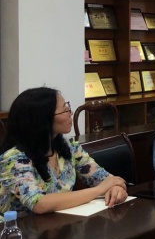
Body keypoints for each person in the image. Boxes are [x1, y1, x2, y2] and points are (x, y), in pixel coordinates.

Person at [0, 87, 128, 214]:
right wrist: (99, 190)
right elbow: (39, 203)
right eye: (64, 110)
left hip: (60, 223)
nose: (70, 113)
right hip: (19, 226)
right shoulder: (13, 158)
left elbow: (107, 180)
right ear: (43, 119)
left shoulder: (69, 147)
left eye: (68, 107)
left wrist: (116, 189)